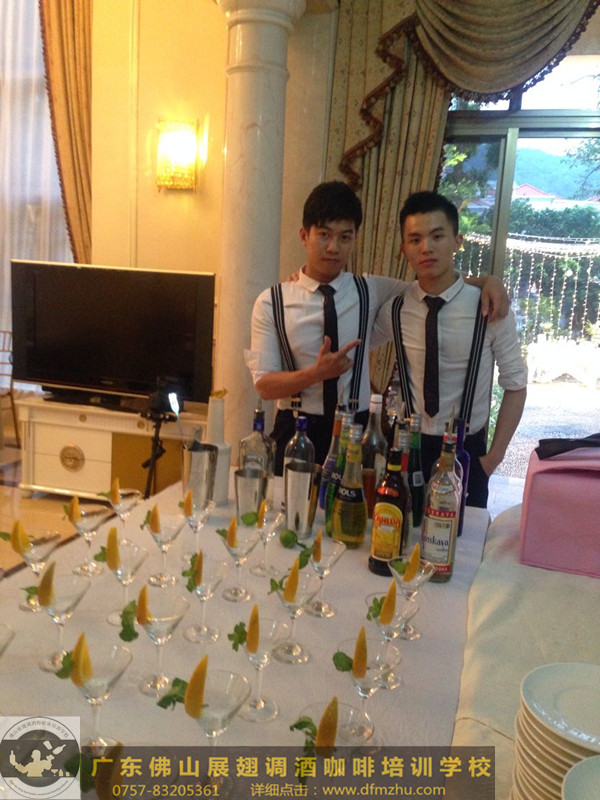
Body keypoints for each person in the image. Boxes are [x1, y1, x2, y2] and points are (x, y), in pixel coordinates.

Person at [246, 182, 509, 474]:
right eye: (324, 235)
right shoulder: (272, 301)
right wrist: (315, 374)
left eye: (345, 237)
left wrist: (488, 282)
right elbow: (264, 385)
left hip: (356, 432)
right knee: (287, 505)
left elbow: (432, 285)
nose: (333, 247)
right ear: (304, 236)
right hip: (295, 427)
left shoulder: (371, 289)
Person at [374, 190, 527, 507]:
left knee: (464, 538)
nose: (426, 247)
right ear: (404, 249)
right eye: (415, 239)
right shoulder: (395, 309)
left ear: (457, 241)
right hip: (409, 447)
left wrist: (492, 460)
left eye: (437, 236)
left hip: (468, 451)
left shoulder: (489, 308)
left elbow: (516, 385)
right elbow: (357, 344)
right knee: (399, 531)